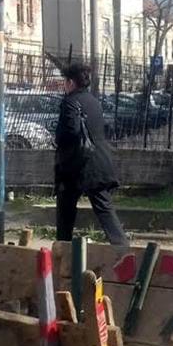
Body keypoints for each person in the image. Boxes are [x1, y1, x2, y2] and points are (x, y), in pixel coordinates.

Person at [55, 62, 128, 246]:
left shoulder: (70, 102)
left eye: (65, 81)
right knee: (104, 207)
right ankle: (122, 248)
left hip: (77, 165)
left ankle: (63, 248)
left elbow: (70, 131)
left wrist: (58, 139)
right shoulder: (94, 101)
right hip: (99, 161)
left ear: (71, 82)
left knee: (65, 207)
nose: (64, 85)